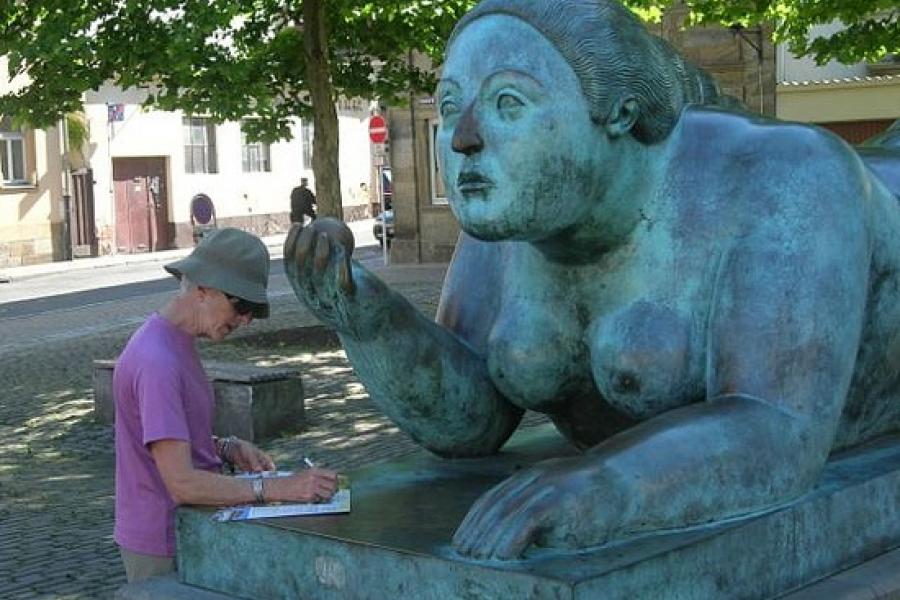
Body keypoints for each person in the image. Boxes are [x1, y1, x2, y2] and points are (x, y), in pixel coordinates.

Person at [283, 0, 900, 561]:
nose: (464, 138)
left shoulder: (784, 179)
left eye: (509, 105)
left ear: (618, 113)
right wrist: (364, 314)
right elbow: (470, 425)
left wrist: (607, 486)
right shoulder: (513, 211)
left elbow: (778, 429)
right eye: (450, 107)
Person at [114, 228, 338, 582]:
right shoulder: (158, 361)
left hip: (190, 533)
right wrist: (280, 488)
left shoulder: (174, 343)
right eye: (242, 305)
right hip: (166, 544)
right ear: (204, 289)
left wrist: (225, 447)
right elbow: (182, 483)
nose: (247, 319)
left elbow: (162, 437)